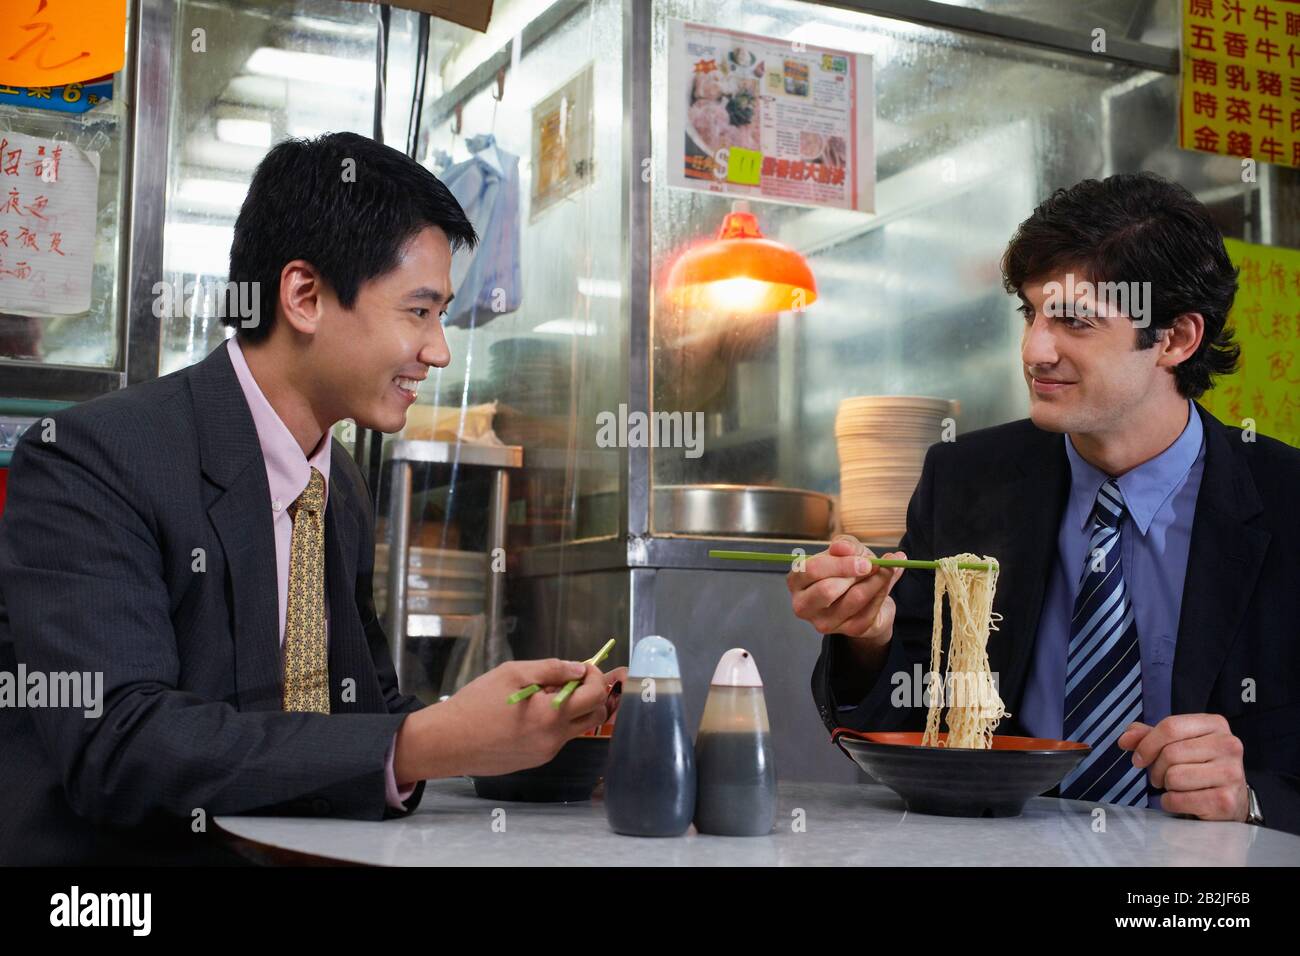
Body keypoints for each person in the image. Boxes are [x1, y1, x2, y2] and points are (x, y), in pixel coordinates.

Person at [0, 132, 622, 865]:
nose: (438, 350)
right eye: (418, 312)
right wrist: (425, 743)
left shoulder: (340, 486)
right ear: (304, 296)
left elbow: (363, 713)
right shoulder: (95, 460)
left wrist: (500, 726)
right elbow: (120, 742)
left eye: (441, 316)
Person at [790, 173, 1300, 834]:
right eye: (1030, 313)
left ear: (1175, 339)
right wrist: (869, 636)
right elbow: (907, 727)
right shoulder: (968, 479)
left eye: (1075, 322)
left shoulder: (1284, 502)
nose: (1034, 350)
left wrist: (1251, 800)